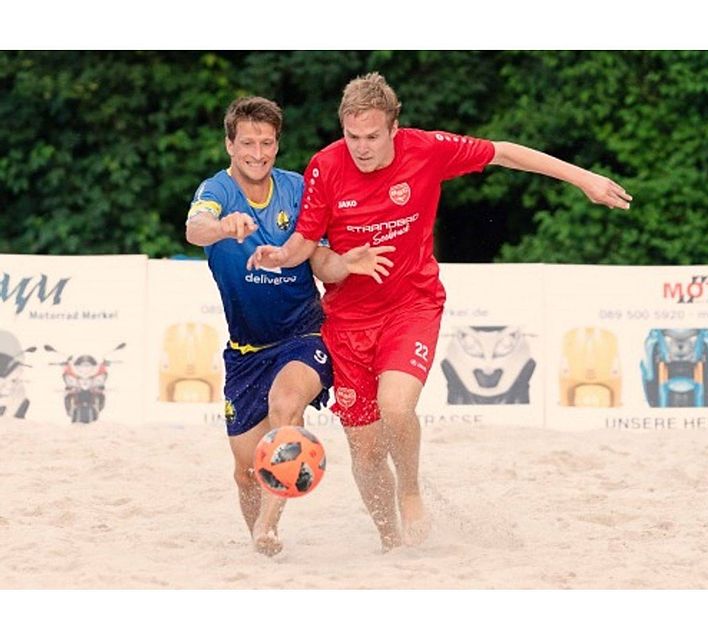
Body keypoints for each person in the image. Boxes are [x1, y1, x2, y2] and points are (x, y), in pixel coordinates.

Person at [248, 72, 633, 550]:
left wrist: (584, 179)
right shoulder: (326, 166)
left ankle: (410, 491)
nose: (361, 147)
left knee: (396, 406)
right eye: (352, 137)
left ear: (394, 128)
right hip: (347, 321)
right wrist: (280, 255)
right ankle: (392, 541)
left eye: (372, 137)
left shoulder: (426, 149)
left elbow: (505, 153)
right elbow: (305, 243)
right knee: (365, 453)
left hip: (413, 305)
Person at [186, 96, 393, 556]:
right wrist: (222, 228)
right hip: (245, 352)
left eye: (266, 143)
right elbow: (195, 230)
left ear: (277, 145)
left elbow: (321, 262)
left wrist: (345, 263)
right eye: (247, 143)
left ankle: (268, 526)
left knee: (286, 407)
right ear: (229, 144)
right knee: (245, 470)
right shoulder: (217, 192)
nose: (257, 153)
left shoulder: (298, 190)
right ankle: (261, 543)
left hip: (304, 335)